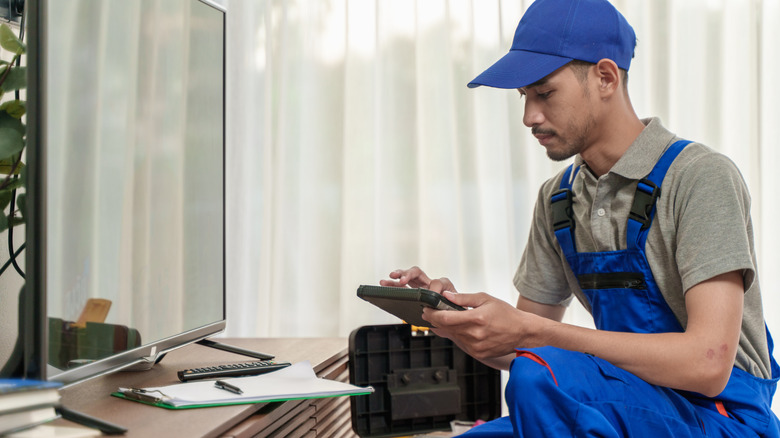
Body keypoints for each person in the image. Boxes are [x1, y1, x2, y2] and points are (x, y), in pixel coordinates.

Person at [379, 0, 780, 436]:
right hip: (623, 399)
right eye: (524, 97)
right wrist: (457, 322)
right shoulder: (558, 199)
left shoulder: (699, 177)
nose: (530, 116)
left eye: (544, 93)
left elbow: (708, 365)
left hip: (721, 416)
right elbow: (518, 347)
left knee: (538, 375)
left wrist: (533, 333)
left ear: (605, 77)